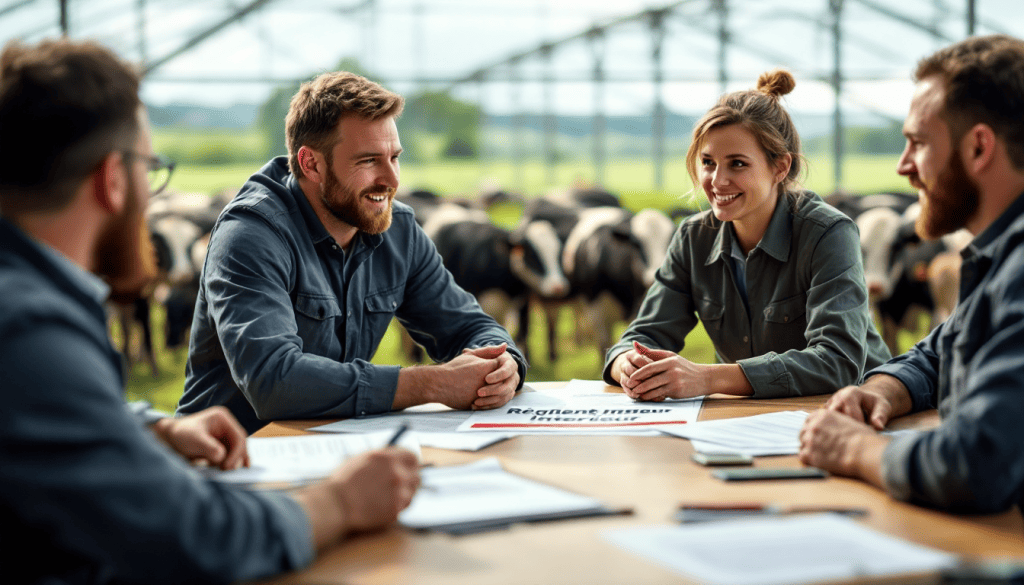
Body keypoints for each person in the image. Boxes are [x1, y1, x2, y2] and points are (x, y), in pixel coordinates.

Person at [0, 38, 420, 584]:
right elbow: (190, 538)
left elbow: (33, 413)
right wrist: (339, 503)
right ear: (113, 179)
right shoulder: (28, 329)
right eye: (150, 169)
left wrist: (146, 430)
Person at [176, 71, 526, 433]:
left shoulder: (399, 230)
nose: (391, 180)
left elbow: (468, 324)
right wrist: (433, 384)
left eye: (395, 157)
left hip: (332, 448)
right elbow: (274, 380)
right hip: (232, 459)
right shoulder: (250, 236)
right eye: (368, 161)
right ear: (311, 163)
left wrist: (503, 365)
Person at [799, 34, 1024, 513]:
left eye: (918, 143)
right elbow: (937, 353)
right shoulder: (1000, 256)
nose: (903, 167)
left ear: (979, 148)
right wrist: (878, 391)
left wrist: (852, 448)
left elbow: (975, 464)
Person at [603, 69, 890, 401]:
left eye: (737, 164)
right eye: (708, 162)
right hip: (748, 418)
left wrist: (707, 378)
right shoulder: (692, 238)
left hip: (852, 411)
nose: (717, 180)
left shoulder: (828, 234)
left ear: (781, 167)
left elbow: (838, 361)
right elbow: (644, 334)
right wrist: (628, 363)